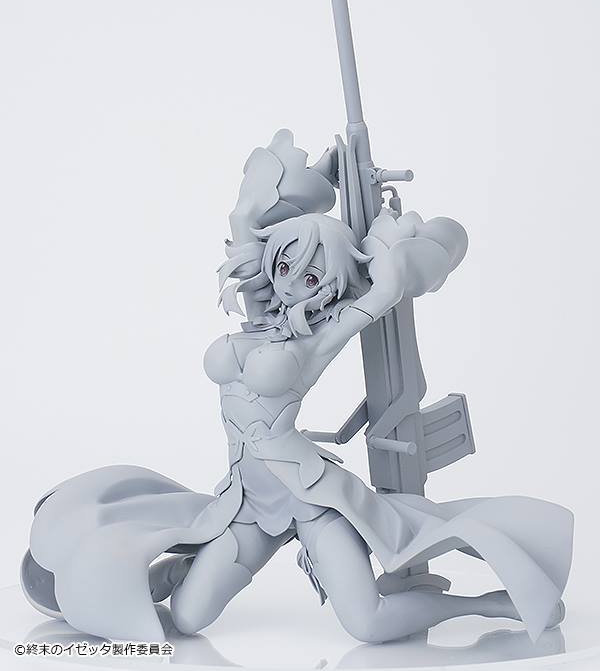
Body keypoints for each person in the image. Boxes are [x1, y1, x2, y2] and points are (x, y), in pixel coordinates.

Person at [21, 130, 573, 645]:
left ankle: (489, 606)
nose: (292, 280)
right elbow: (244, 221)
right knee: (187, 619)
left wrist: (383, 227)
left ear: (329, 287)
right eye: (286, 263)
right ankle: (167, 572)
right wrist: (324, 176)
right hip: (244, 503)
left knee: (368, 623)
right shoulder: (258, 310)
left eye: (313, 276)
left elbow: (384, 292)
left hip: (311, 497)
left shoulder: (318, 339)